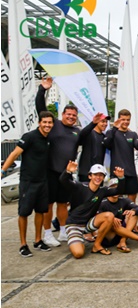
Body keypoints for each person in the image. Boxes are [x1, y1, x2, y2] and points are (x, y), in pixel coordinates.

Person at [34, 79, 97, 247]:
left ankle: (63, 231)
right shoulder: (54, 125)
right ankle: (48, 233)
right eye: (68, 114)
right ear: (62, 115)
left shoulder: (77, 131)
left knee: (63, 203)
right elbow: (41, 109)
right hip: (50, 171)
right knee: (48, 204)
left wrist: (94, 122)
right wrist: (42, 89)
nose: (71, 117)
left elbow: (86, 134)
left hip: (66, 174)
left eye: (74, 115)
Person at [2, 111, 56, 256]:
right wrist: (2, 171)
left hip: (43, 181)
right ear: (39, 123)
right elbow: (14, 154)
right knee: (24, 213)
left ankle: (38, 240)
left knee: (41, 211)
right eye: (45, 122)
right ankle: (23, 244)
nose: (47, 125)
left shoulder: (48, 139)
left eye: (50, 122)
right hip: (28, 182)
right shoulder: (29, 137)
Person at [58, 161, 124, 258]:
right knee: (79, 254)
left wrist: (121, 178)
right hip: (74, 224)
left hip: (88, 224)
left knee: (109, 215)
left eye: (101, 175)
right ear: (90, 176)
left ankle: (97, 245)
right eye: (95, 175)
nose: (98, 177)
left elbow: (120, 190)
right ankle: (76, 240)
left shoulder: (102, 190)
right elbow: (63, 181)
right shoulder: (80, 186)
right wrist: (68, 171)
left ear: (103, 178)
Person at [101, 109, 138, 200]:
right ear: (118, 119)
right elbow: (107, 144)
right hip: (117, 172)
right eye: (123, 119)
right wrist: (115, 128)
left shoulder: (132, 134)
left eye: (128, 120)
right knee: (115, 199)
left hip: (131, 172)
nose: (126, 122)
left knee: (132, 200)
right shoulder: (111, 132)